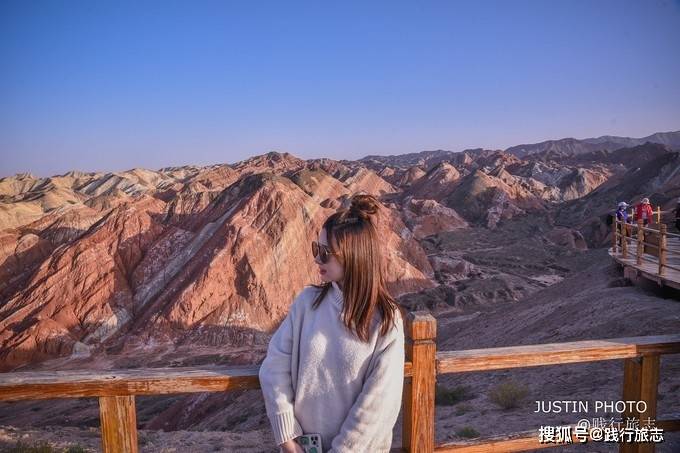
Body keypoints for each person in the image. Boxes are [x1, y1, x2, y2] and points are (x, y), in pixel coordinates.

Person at [258, 193, 406, 453]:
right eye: (317, 249)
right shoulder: (308, 303)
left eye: (325, 253)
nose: (317, 259)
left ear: (354, 256)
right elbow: (274, 366)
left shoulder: (385, 320)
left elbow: (378, 404)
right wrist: (287, 436)